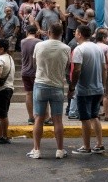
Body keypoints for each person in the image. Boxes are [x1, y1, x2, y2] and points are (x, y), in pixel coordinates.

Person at [26, 23, 71, 159]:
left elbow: (34, 64)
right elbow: (67, 66)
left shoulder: (39, 45)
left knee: (38, 118)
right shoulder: (66, 48)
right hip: (57, 85)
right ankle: (59, 150)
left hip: (40, 84)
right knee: (57, 119)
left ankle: (37, 150)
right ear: (61, 33)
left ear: (49, 32)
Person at [69, 25, 106, 155]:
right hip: (98, 88)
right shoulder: (98, 48)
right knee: (94, 116)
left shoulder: (79, 49)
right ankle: (99, 144)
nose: (75, 34)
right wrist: (103, 84)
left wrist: (72, 86)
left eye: (76, 32)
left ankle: (86, 146)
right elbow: (104, 68)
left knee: (85, 118)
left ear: (79, 34)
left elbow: (77, 70)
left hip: (84, 89)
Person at [0, 38, 15, 144]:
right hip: (8, 88)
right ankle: (1, 135)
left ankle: (3, 136)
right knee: (3, 114)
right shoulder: (9, 57)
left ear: (1, 48)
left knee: (3, 114)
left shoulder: (1, 60)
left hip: (2, 89)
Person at [21, 25, 42, 125]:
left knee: (28, 94)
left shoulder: (22, 42)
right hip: (35, 71)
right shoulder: (39, 42)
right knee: (39, 94)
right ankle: (43, 116)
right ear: (36, 33)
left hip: (25, 71)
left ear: (27, 32)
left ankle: (30, 117)